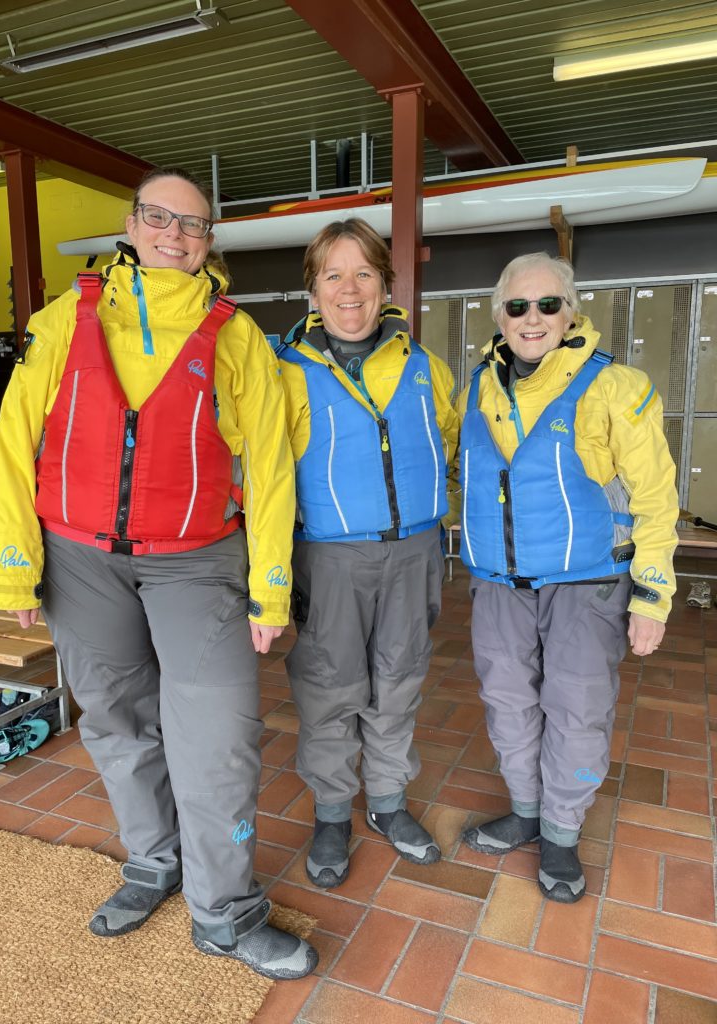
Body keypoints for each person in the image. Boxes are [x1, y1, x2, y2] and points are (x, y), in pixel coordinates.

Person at [0, 167, 317, 980]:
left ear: (209, 244)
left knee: (218, 739)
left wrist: (271, 589)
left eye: (193, 225)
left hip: (198, 565)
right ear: (131, 225)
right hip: (79, 561)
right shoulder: (64, 319)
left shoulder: (235, 335)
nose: (174, 234)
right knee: (117, 724)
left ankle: (225, 910)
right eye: (159, 218)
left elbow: (270, 471)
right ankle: (154, 861)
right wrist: (14, 571)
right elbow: (14, 442)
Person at [457, 252, 678, 903]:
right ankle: (527, 810)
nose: (533, 318)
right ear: (500, 315)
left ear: (570, 312)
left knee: (575, 709)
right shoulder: (475, 388)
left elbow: (657, 500)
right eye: (519, 306)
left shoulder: (616, 387)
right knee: (509, 705)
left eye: (548, 304)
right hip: (500, 584)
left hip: (587, 585)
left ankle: (559, 832)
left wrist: (654, 598)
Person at [276, 218, 459, 888]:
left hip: (413, 554)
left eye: (364, 273)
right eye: (334, 275)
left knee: (399, 682)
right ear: (313, 290)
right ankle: (331, 812)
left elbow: (447, 442)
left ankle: (385, 803)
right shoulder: (285, 373)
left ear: (386, 283)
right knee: (329, 692)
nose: (349, 289)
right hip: (328, 560)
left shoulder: (422, 367)